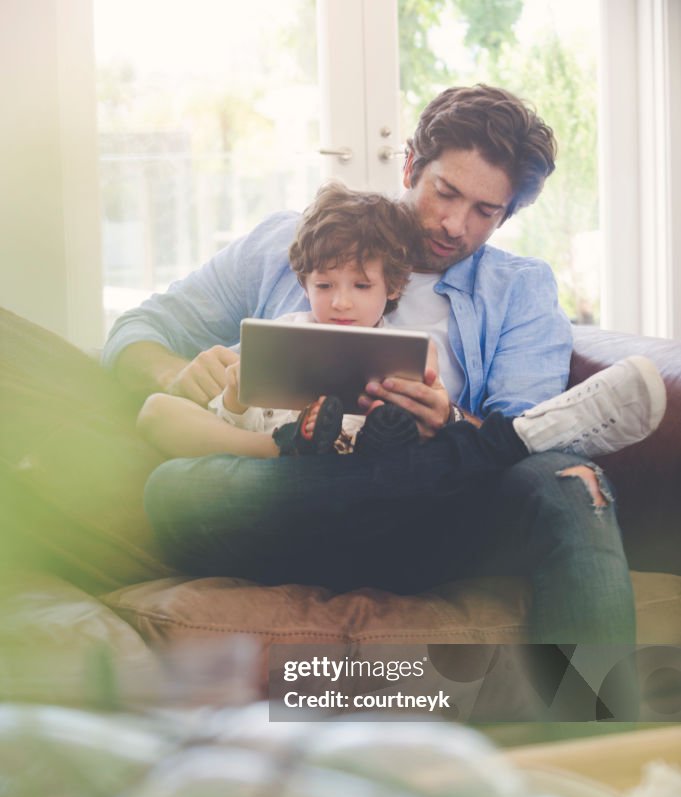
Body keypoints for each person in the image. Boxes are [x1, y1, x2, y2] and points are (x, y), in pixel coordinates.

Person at [103, 84, 648, 715]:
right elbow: (135, 333)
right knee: (174, 490)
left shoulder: (519, 291)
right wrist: (179, 375)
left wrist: (451, 421)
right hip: (288, 504)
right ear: (411, 165)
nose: (455, 224)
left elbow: (521, 441)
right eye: (446, 192)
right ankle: (406, 465)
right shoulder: (293, 241)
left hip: (432, 525)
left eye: (484, 212)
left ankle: (606, 751)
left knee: (571, 479)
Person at [136, 182, 665, 473]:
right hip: (268, 465)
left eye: (484, 209)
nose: (340, 302)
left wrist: (448, 420)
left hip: (373, 472)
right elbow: (155, 335)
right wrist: (218, 389)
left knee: (408, 458)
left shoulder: (420, 346)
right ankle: (518, 440)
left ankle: (518, 438)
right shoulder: (283, 317)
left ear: (393, 287)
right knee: (168, 476)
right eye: (324, 287)